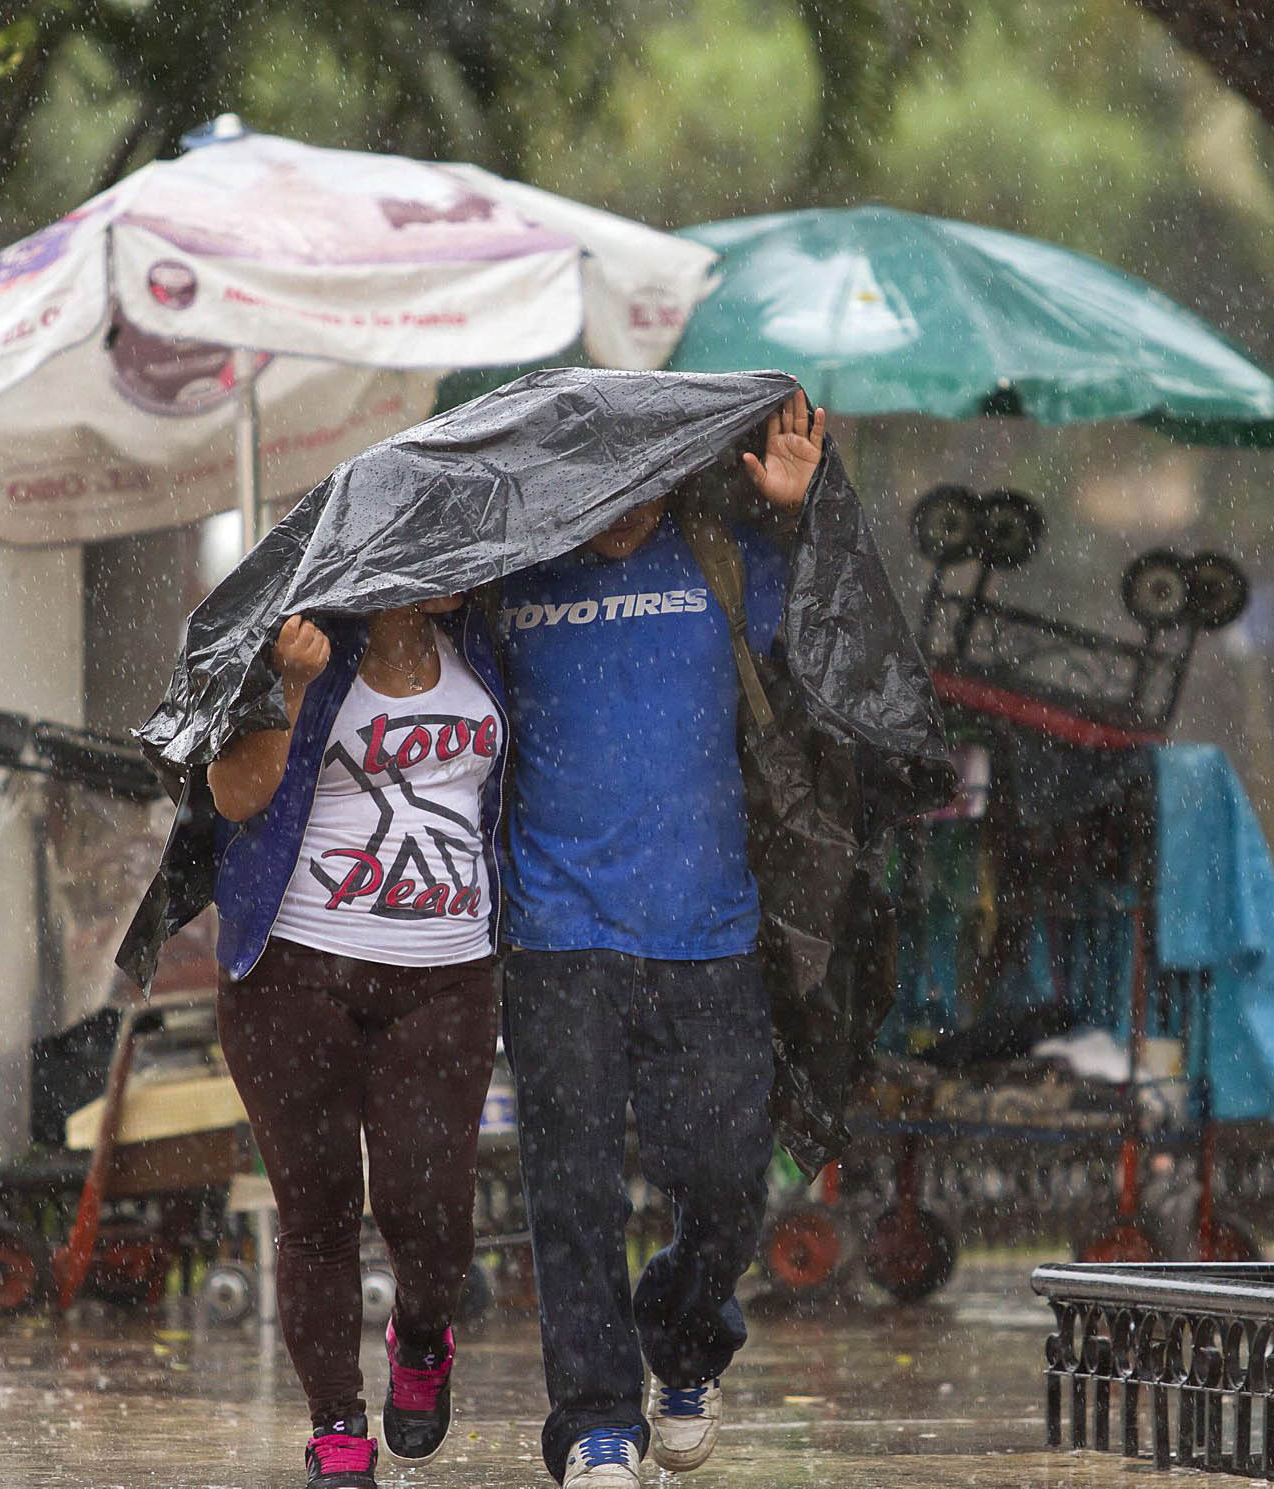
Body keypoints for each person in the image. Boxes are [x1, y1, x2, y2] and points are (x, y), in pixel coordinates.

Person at [498, 390, 827, 1487]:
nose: (613, 506)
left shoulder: (725, 561)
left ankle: (684, 1338)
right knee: (573, 1192)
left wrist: (794, 517)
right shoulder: (511, 582)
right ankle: (595, 1422)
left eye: (633, 479)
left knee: (731, 1178)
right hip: (557, 939)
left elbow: (829, 660)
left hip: (712, 935)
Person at [205, 593, 507, 1489]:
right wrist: (288, 688)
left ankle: (421, 1333)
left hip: (448, 972)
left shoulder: (488, 639)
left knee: (431, 1210)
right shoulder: (297, 645)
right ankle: (335, 1421)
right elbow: (233, 794)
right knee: (318, 1212)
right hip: (293, 975)